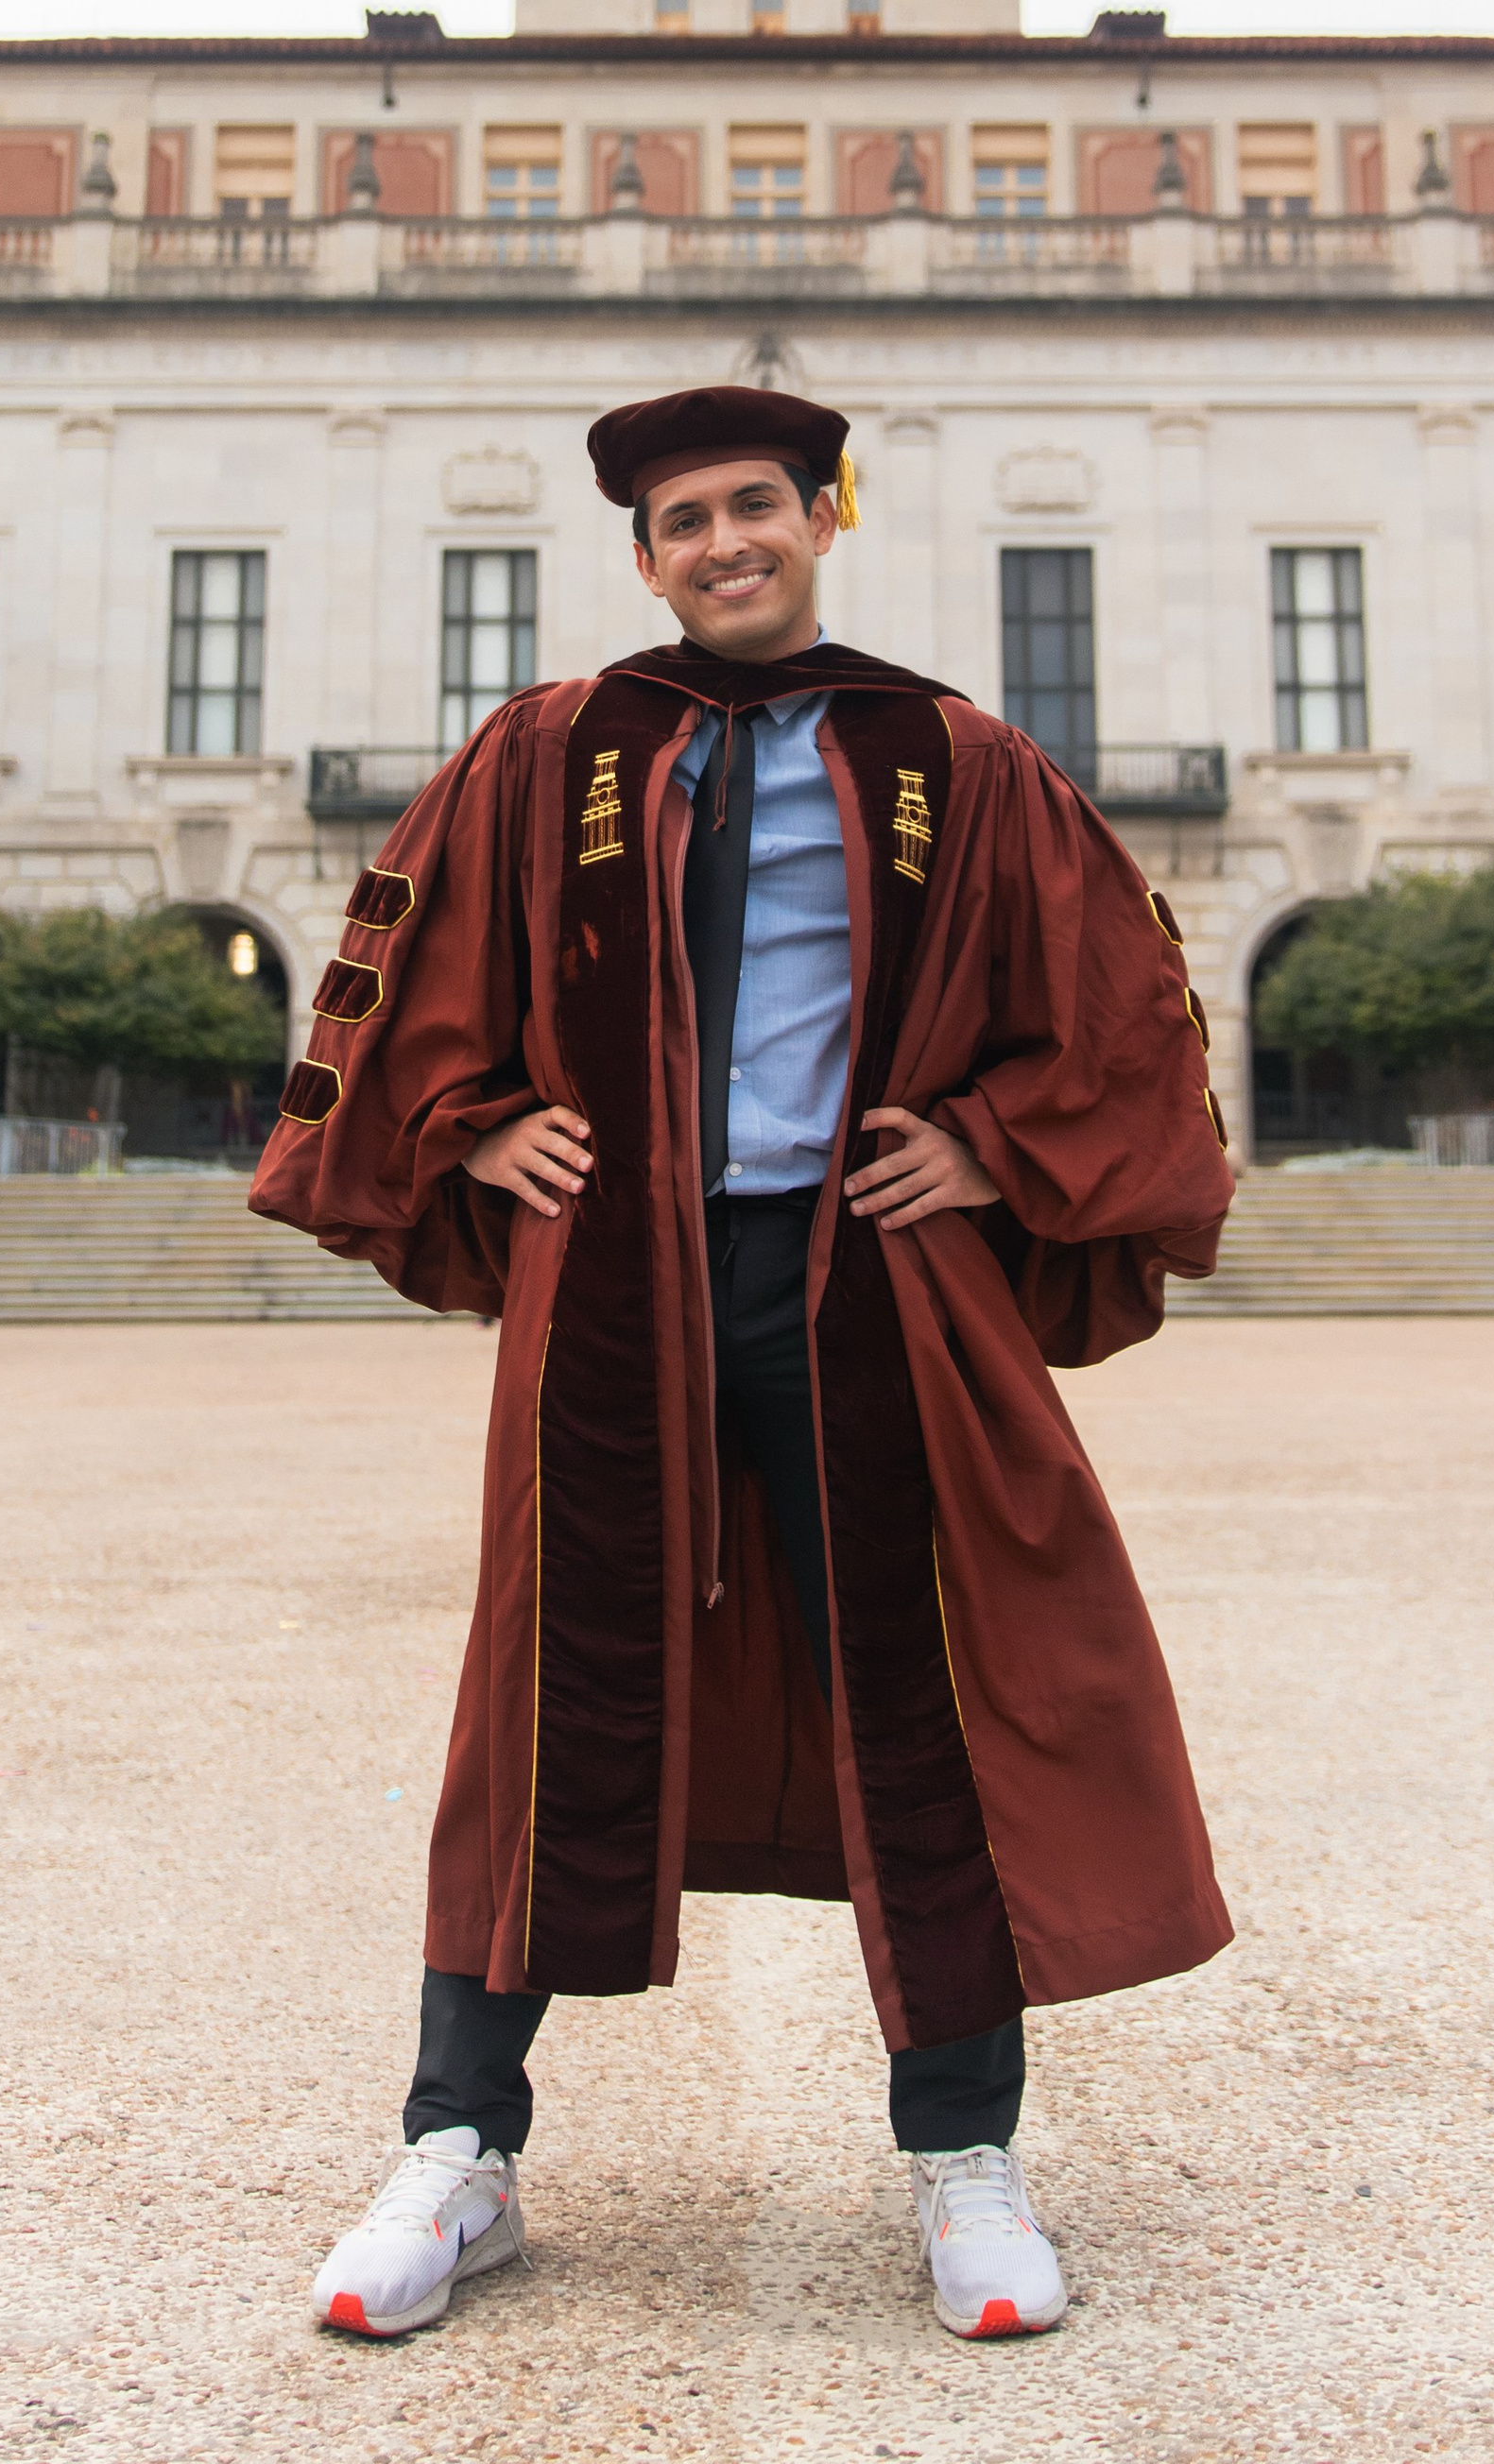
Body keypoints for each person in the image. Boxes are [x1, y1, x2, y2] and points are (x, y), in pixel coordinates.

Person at [250, 384, 1236, 2344]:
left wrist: (995, 1144)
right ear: (641, 555)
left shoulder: (946, 755)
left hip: (860, 1275)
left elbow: (1120, 1002)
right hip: (616, 1275)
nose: (722, 543)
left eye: (755, 508)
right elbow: (403, 972)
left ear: (821, 520)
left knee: (925, 1677)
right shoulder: (547, 754)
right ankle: (458, 2153)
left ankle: (963, 2157)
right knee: (541, 1687)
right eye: (683, 520)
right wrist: (464, 1126)